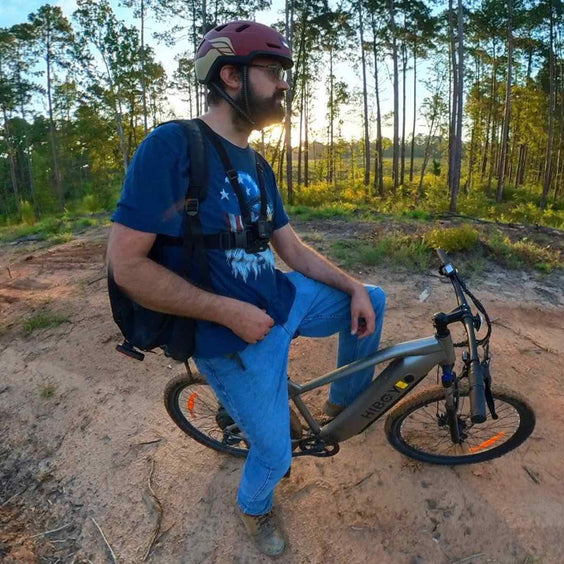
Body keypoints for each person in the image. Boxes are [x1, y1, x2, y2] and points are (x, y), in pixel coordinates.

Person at [106, 20, 386, 558]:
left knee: (372, 299)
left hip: (280, 301)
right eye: (273, 71)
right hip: (231, 339)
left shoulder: (257, 162)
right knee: (275, 457)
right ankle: (255, 507)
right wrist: (230, 313)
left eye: (285, 73)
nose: (284, 84)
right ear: (230, 76)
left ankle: (339, 410)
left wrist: (351, 285)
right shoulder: (172, 147)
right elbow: (127, 266)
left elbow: (292, 250)